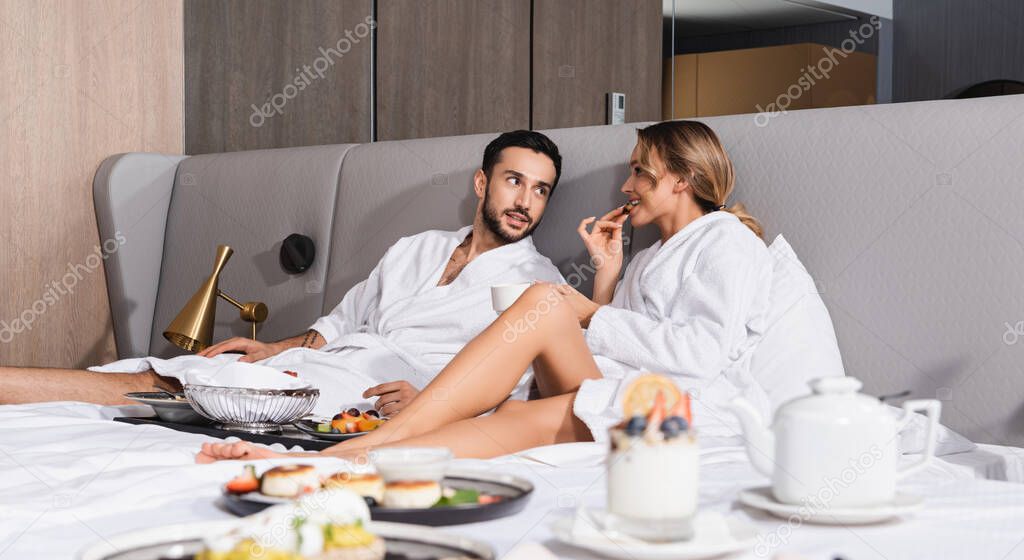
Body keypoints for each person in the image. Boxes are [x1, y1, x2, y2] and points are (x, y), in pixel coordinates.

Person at [198, 119, 776, 463]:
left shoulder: (725, 243)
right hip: (611, 398)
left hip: (676, 411)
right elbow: (610, 350)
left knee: (475, 419)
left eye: (640, 173)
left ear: (683, 180)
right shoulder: (651, 255)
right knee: (439, 446)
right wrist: (606, 276)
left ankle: (352, 454)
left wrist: (581, 311)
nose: (625, 186)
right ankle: (319, 462)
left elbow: (700, 355)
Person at [0, 130, 566, 415]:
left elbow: (518, 389)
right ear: (481, 182)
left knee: (177, 388)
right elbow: (342, 322)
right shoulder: (416, 248)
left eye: (541, 190)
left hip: (387, 389)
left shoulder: (538, 285)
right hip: (336, 360)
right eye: (514, 180)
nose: (526, 201)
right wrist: (272, 348)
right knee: (184, 369)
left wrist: (426, 403)